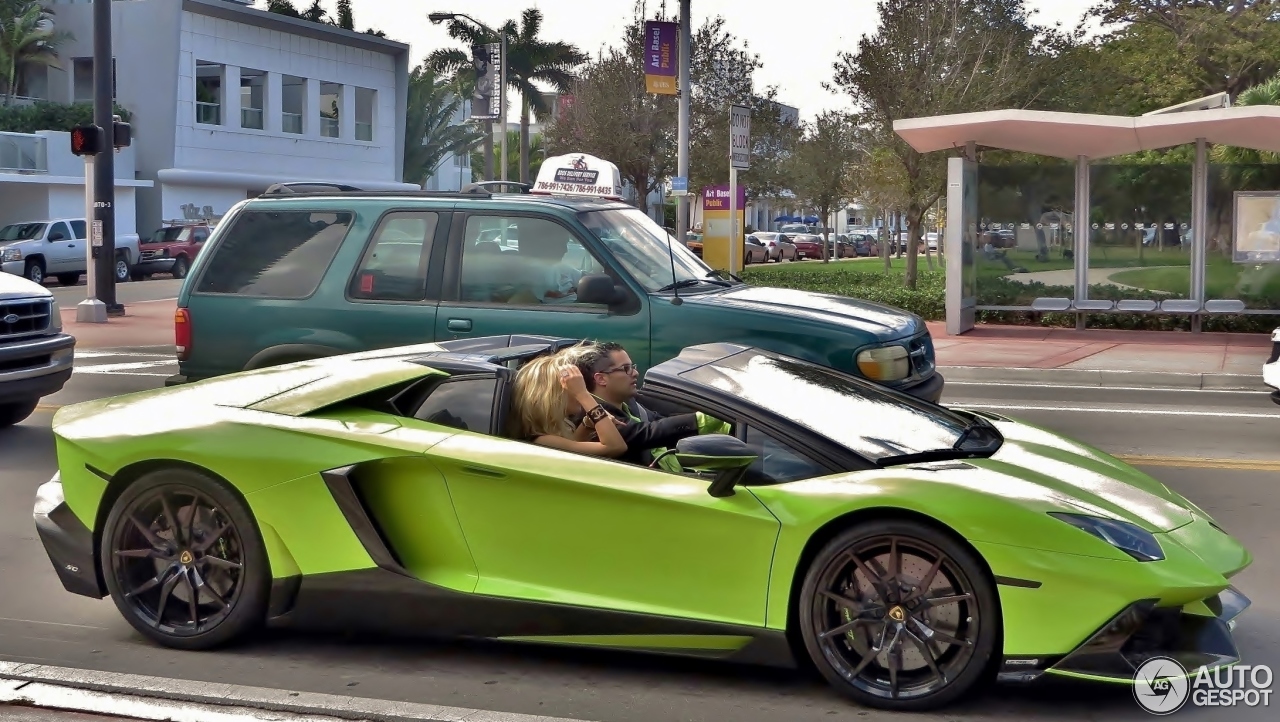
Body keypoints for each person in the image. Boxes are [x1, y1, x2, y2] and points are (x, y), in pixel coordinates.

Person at [569, 341, 731, 471]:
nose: (635, 373)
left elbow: (657, 420)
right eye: (626, 369)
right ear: (601, 379)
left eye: (633, 367)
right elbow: (646, 432)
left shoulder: (629, 401)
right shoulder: (594, 416)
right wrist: (708, 418)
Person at [508, 349, 628, 457]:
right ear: (553, 395)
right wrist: (582, 394)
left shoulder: (557, 431)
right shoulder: (543, 441)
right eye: (573, 387)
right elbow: (615, 447)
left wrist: (587, 424)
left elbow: (575, 445)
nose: (579, 390)